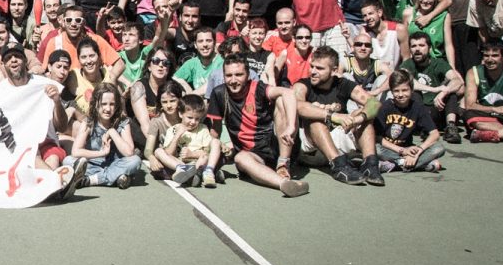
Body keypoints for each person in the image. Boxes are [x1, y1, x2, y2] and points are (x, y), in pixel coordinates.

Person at [206, 56, 308, 197]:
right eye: (228, 75)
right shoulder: (219, 93)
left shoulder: (258, 88)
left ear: (248, 75)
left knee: (280, 99)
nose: (233, 80)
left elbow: (288, 92)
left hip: (278, 146)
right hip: (252, 155)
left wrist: (291, 126)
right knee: (239, 158)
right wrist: (210, 152)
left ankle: (283, 164)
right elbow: (216, 131)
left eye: (239, 75)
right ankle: (285, 184)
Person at [294, 46, 383, 186]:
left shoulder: (343, 84)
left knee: (364, 115)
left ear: (334, 70)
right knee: (316, 120)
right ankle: (339, 166)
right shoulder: (302, 85)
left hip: (336, 141)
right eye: (312, 66)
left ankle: (370, 165)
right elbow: (298, 106)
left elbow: (374, 103)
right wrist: (333, 116)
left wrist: (358, 119)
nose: (313, 71)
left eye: (319, 68)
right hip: (310, 148)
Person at [65, 85, 141, 189]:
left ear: (117, 105)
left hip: (116, 163)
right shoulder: (88, 122)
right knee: (68, 161)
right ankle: (116, 177)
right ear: (96, 104)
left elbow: (129, 152)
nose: (108, 109)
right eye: (103, 104)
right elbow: (76, 152)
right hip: (92, 164)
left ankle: (91, 180)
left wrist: (112, 132)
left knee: (135, 161)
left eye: (112, 104)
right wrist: (102, 153)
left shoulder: (123, 122)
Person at [375, 70, 446, 173]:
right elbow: (377, 137)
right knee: (376, 149)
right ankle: (418, 164)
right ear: (391, 91)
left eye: (404, 90)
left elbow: (435, 134)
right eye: (396, 91)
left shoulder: (418, 107)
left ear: (412, 90)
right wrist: (402, 151)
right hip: (389, 148)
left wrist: (418, 151)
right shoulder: (385, 107)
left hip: (408, 148)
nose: (400, 94)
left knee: (438, 148)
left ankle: (395, 164)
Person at [157, 94, 220, 189]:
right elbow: (169, 154)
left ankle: (208, 172)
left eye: (197, 119)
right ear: (180, 114)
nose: (193, 122)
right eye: (190, 118)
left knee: (215, 142)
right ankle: (186, 171)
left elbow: (207, 153)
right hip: (179, 164)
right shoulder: (172, 130)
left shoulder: (203, 129)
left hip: (198, 162)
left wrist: (192, 154)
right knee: (158, 151)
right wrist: (177, 135)